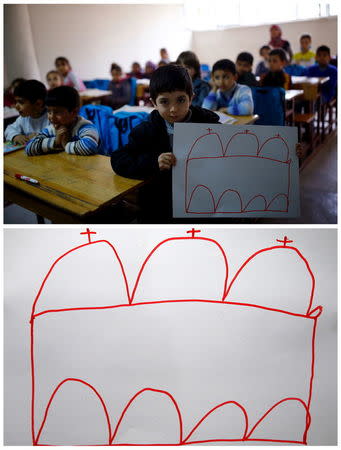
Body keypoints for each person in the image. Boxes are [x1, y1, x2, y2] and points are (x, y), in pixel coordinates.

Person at [110, 64, 219, 223]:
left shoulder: (210, 126)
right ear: (154, 103)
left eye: (181, 100)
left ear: (191, 98)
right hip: (159, 209)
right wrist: (153, 162)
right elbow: (118, 160)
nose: (173, 109)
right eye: (164, 102)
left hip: (200, 207)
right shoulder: (146, 130)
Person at [25, 86, 99, 156]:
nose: (51, 117)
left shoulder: (85, 127)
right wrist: (55, 142)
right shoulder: (51, 129)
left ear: (73, 112)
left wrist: (66, 144)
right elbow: (29, 147)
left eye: (57, 112)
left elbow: (90, 147)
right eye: (49, 111)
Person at [4, 80, 49, 145]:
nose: (16, 106)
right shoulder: (23, 119)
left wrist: (37, 137)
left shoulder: (51, 117)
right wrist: (15, 136)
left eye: (21, 102)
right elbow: (9, 129)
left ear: (38, 104)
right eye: (16, 102)